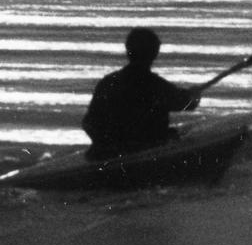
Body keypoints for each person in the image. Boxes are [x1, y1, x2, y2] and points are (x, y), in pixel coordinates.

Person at [82, 27, 201, 157]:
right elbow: (186, 103)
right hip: (143, 149)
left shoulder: (108, 82)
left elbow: (89, 122)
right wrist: (194, 95)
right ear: (155, 53)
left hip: (106, 152)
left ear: (128, 51)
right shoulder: (155, 85)